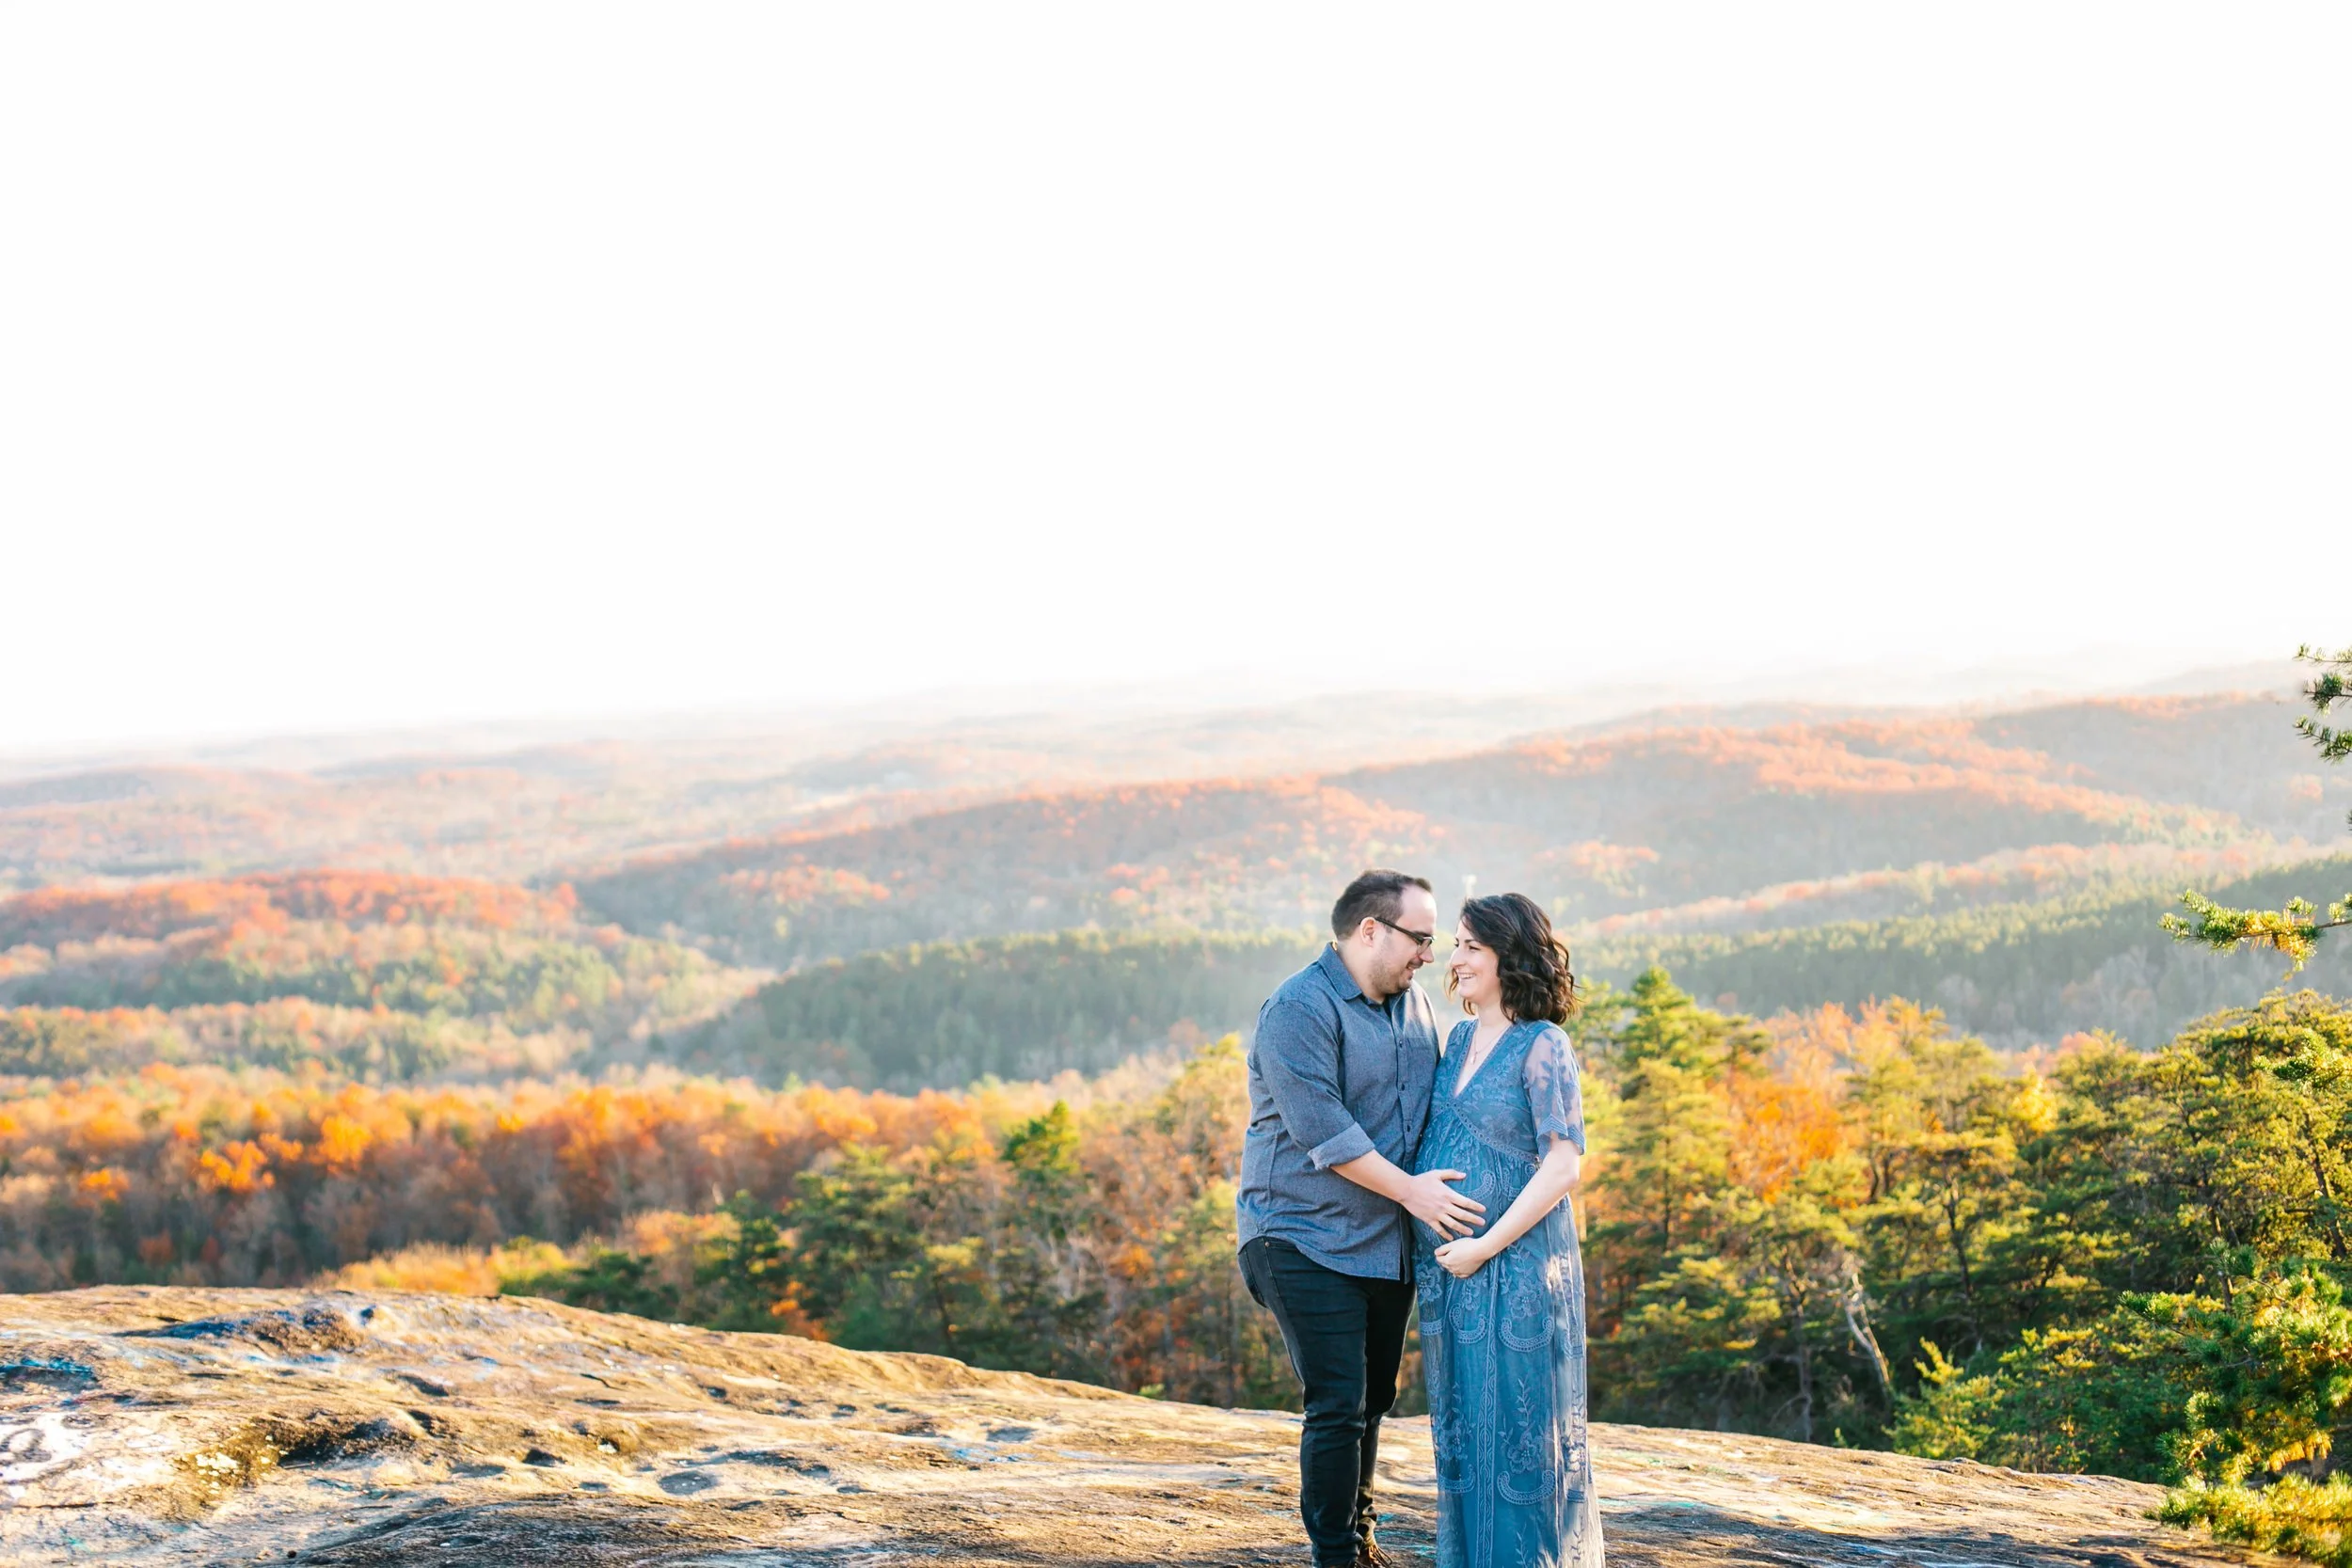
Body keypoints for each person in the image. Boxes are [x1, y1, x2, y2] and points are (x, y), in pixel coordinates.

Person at [1236, 868, 1483, 1568]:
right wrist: (1414, 1193)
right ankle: (1335, 1555)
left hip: (1383, 1240)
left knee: (1375, 1396)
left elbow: (1437, 1112)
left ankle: (1361, 1531)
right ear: (1369, 929)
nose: (1428, 956)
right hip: (1298, 1234)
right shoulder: (1297, 1009)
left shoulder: (1414, 1008)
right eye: (1421, 939)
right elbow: (1328, 1135)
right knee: (1339, 1399)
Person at [1416, 892, 1603, 1567]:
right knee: (1468, 1434)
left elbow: (1562, 1165)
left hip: (1517, 1271)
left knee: (1523, 1442)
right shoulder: (1462, 1037)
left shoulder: (1544, 1044)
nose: (1454, 958)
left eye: (1470, 945)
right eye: (1456, 945)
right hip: (1455, 1280)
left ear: (1508, 954)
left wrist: (1483, 1246)